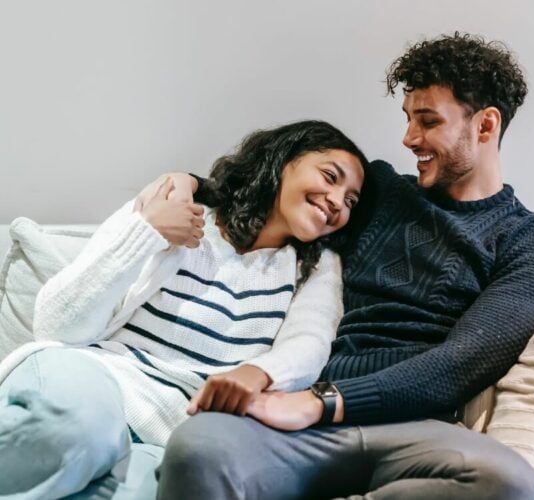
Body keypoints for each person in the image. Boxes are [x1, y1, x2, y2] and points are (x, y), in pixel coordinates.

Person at [154, 33, 534, 499]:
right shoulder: (380, 192)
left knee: (508, 482)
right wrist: (188, 183)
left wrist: (325, 403)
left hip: (414, 428)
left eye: (428, 121)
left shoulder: (530, 242)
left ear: (485, 126)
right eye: (409, 119)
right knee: (197, 447)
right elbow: (277, 188)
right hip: (298, 416)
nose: (409, 138)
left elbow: (462, 364)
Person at [0, 120, 367, 499]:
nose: (337, 201)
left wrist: (258, 372)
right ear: (283, 160)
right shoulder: (178, 207)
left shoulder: (316, 267)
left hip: (167, 431)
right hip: (95, 379)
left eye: (351, 200)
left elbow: (310, 340)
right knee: (79, 430)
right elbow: (57, 326)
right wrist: (146, 231)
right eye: (329, 176)